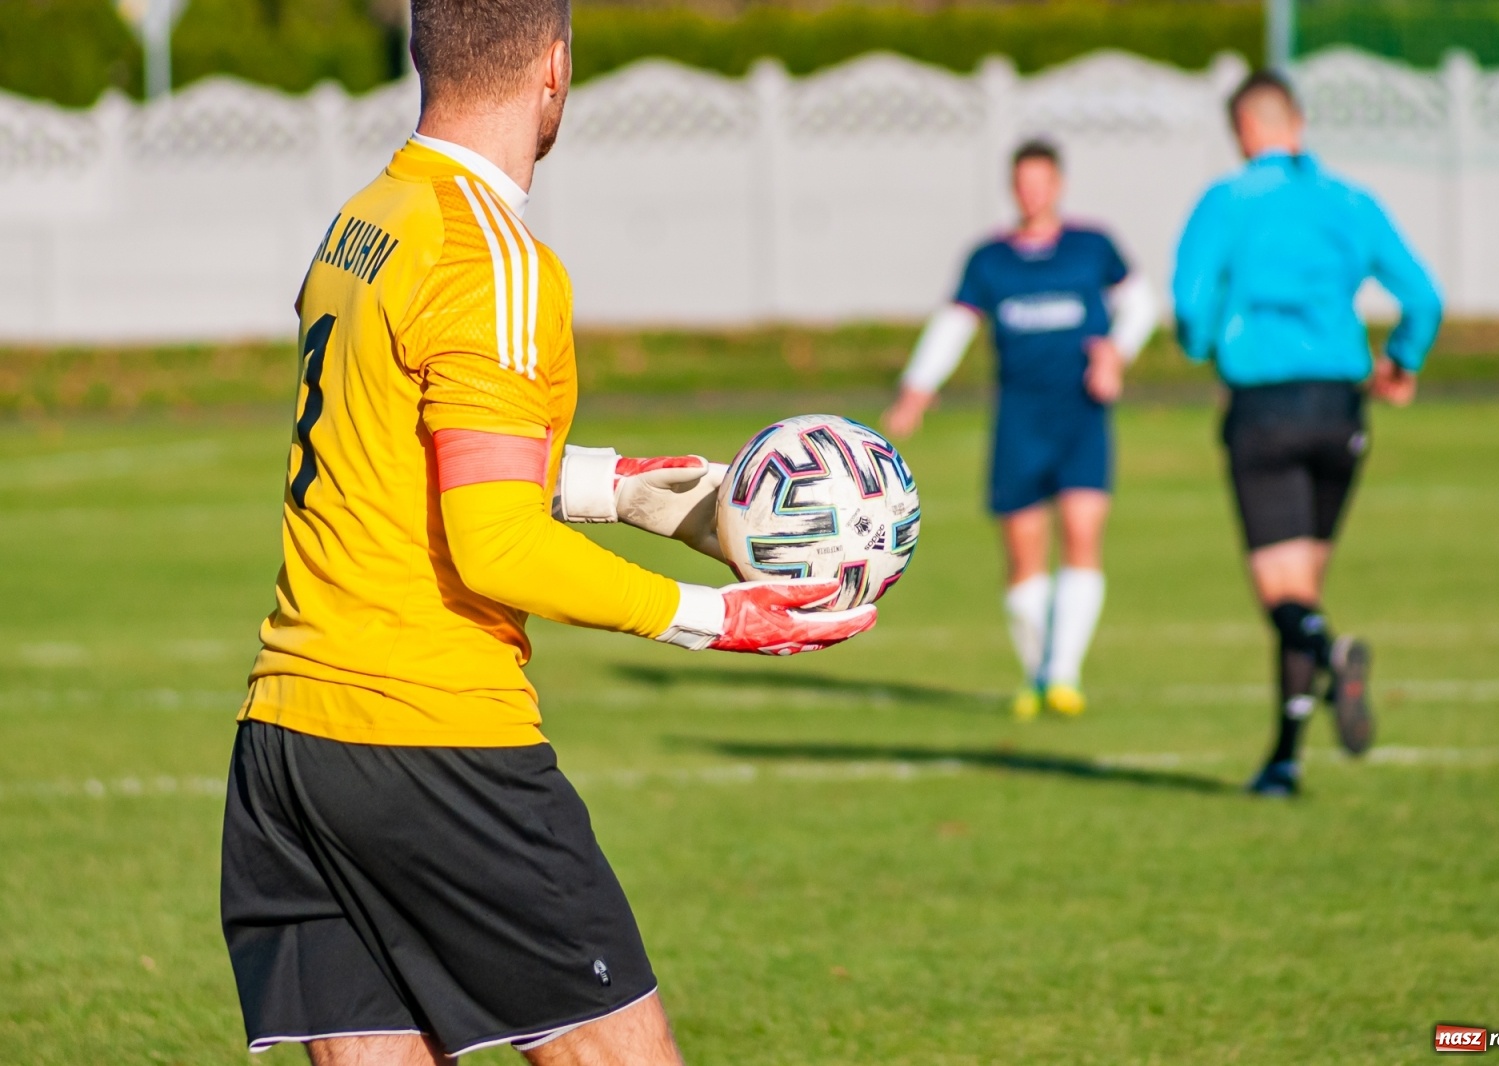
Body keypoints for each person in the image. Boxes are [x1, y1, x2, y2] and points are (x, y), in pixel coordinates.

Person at [217, 0, 878, 1061]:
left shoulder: (367, 220)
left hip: (289, 737)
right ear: (555, 68)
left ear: (423, 52)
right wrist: (718, 617)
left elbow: (391, 461)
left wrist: (625, 491)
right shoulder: (494, 256)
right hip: (432, 735)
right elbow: (496, 545)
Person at [1172, 70, 1443, 797]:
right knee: (1305, 584)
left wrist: (1205, 345)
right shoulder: (1349, 201)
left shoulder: (1227, 201)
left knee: (1284, 595)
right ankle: (1284, 760)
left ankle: (1329, 653)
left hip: (1263, 408)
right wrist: (1402, 362)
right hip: (1339, 409)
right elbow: (1423, 298)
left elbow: (1190, 305)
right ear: (1297, 123)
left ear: (1243, 131)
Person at [884, 140, 1157, 721]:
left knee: (1082, 534)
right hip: (1019, 421)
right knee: (1023, 552)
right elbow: (954, 325)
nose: (1033, 193)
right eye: (1023, 183)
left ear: (1059, 185)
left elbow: (1141, 304)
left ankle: (1063, 676)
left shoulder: (1092, 246)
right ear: (1013, 188)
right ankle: (1039, 673)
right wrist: (917, 389)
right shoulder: (990, 260)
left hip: (1081, 415)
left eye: (1042, 181)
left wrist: (1116, 353)